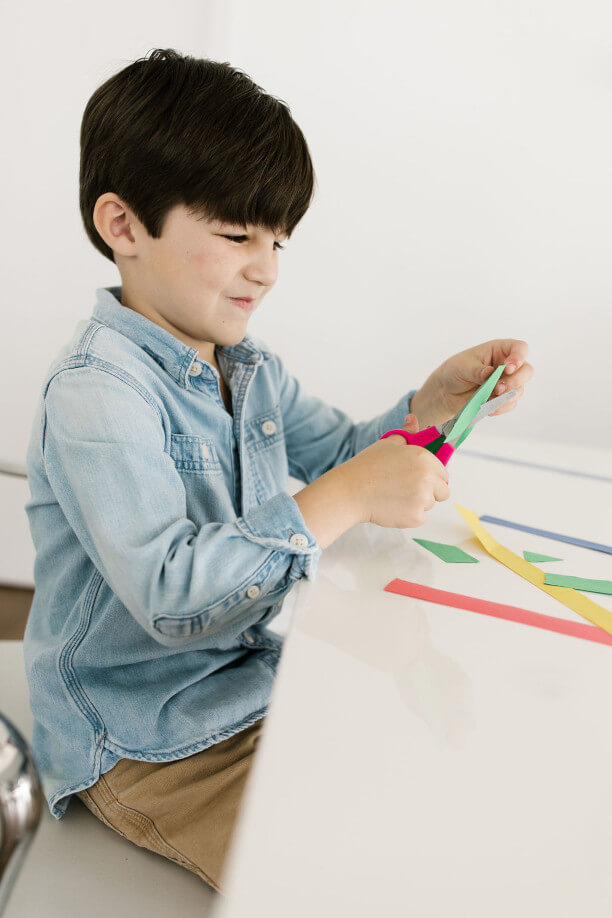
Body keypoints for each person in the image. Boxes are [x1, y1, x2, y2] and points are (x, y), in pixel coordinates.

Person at [23, 47, 534, 893]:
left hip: (250, 687)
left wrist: (429, 411)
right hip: (146, 741)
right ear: (124, 227)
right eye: (234, 237)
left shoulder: (243, 363)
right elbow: (172, 596)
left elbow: (344, 455)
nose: (265, 269)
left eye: (278, 240)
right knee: (330, 881)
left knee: (424, 810)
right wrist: (343, 494)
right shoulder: (96, 394)